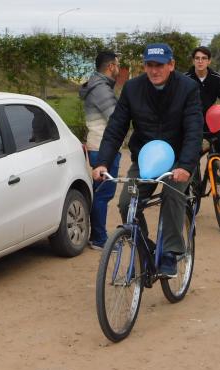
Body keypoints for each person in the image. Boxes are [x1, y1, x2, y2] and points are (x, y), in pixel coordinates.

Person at [92, 43, 203, 277]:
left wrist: (185, 166)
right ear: (144, 66)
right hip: (145, 159)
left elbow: (194, 130)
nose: (154, 71)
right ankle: (145, 247)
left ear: (171, 65)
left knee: (173, 193)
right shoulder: (132, 89)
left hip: (178, 159)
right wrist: (101, 162)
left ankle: (171, 252)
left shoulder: (188, 88)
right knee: (125, 203)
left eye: (160, 65)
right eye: (150, 65)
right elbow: (115, 129)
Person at [80, 51, 122, 249]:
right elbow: (116, 119)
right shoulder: (102, 90)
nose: (119, 69)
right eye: (118, 65)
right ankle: (99, 239)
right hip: (103, 147)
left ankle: (96, 236)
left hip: (97, 146)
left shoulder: (98, 86)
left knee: (100, 193)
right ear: (110, 66)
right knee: (103, 194)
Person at [184, 46, 220, 156]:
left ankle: (212, 172)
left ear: (209, 61)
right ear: (193, 61)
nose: (200, 61)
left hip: (210, 123)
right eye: (197, 58)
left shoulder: (217, 79)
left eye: (204, 58)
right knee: (192, 155)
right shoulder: (185, 79)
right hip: (190, 123)